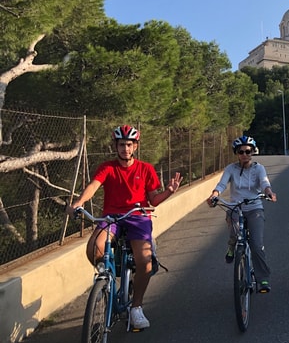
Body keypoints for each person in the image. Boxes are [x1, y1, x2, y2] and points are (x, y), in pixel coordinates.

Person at [66, 125, 183, 330]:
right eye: (121, 145)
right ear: (116, 146)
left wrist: (170, 192)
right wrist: (79, 203)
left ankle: (136, 307)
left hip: (137, 218)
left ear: (135, 146)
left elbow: (153, 200)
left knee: (144, 264)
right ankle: (107, 280)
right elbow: (93, 185)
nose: (125, 149)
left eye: (129, 145)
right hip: (112, 217)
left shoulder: (145, 168)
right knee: (94, 248)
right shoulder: (107, 167)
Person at [207, 135, 277, 293]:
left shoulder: (259, 168)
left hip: (254, 208)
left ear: (253, 152)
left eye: (248, 151)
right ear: (236, 153)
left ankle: (262, 279)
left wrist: (269, 192)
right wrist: (215, 194)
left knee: (257, 245)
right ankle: (232, 248)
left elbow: (265, 182)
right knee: (234, 234)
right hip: (235, 207)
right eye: (241, 151)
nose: (245, 154)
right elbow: (222, 184)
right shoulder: (231, 169)